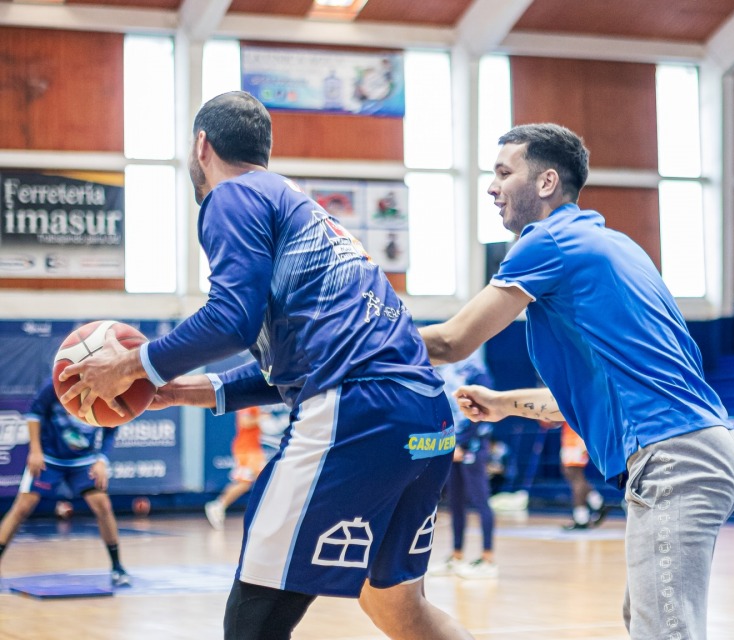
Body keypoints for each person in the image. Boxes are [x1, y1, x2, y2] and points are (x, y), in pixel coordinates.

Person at [57, 91, 473, 640]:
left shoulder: (231, 197)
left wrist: (134, 364)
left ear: (201, 146)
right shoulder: (297, 207)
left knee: (252, 620)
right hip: (424, 414)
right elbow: (299, 367)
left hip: (358, 408)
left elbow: (230, 317)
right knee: (399, 609)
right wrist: (186, 391)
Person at [419, 123, 734, 640]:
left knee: (665, 630)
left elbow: (450, 342)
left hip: (675, 455)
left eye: (504, 172)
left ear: (546, 182)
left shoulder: (547, 241)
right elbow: (594, 394)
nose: (491, 186)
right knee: (648, 621)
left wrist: (354, 337)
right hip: (697, 447)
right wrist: (504, 403)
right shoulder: (612, 245)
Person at [0, 380, 131, 587]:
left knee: (103, 505)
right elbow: (35, 413)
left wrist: (101, 459)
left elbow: (112, 428)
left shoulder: (106, 384)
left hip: (83, 461)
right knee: (22, 508)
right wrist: (35, 451)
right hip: (50, 458)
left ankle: (117, 567)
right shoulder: (56, 383)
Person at [428, 352, 497, 579]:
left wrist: (464, 444)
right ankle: (456, 556)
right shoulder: (445, 372)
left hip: (473, 446)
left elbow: (484, 413)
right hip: (451, 444)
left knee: (479, 499)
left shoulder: (478, 374)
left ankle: (487, 559)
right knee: (455, 502)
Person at [204, 403, 289, 531]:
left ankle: (219, 505)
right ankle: (219, 505)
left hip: (252, 448)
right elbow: (245, 422)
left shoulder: (254, 404)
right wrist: (261, 418)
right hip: (247, 449)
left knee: (253, 481)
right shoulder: (247, 404)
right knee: (258, 479)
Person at [553, 422, 608, 530]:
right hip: (571, 439)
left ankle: (581, 518)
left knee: (576, 477)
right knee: (571, 474)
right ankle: (597, 503)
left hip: (576, 440)